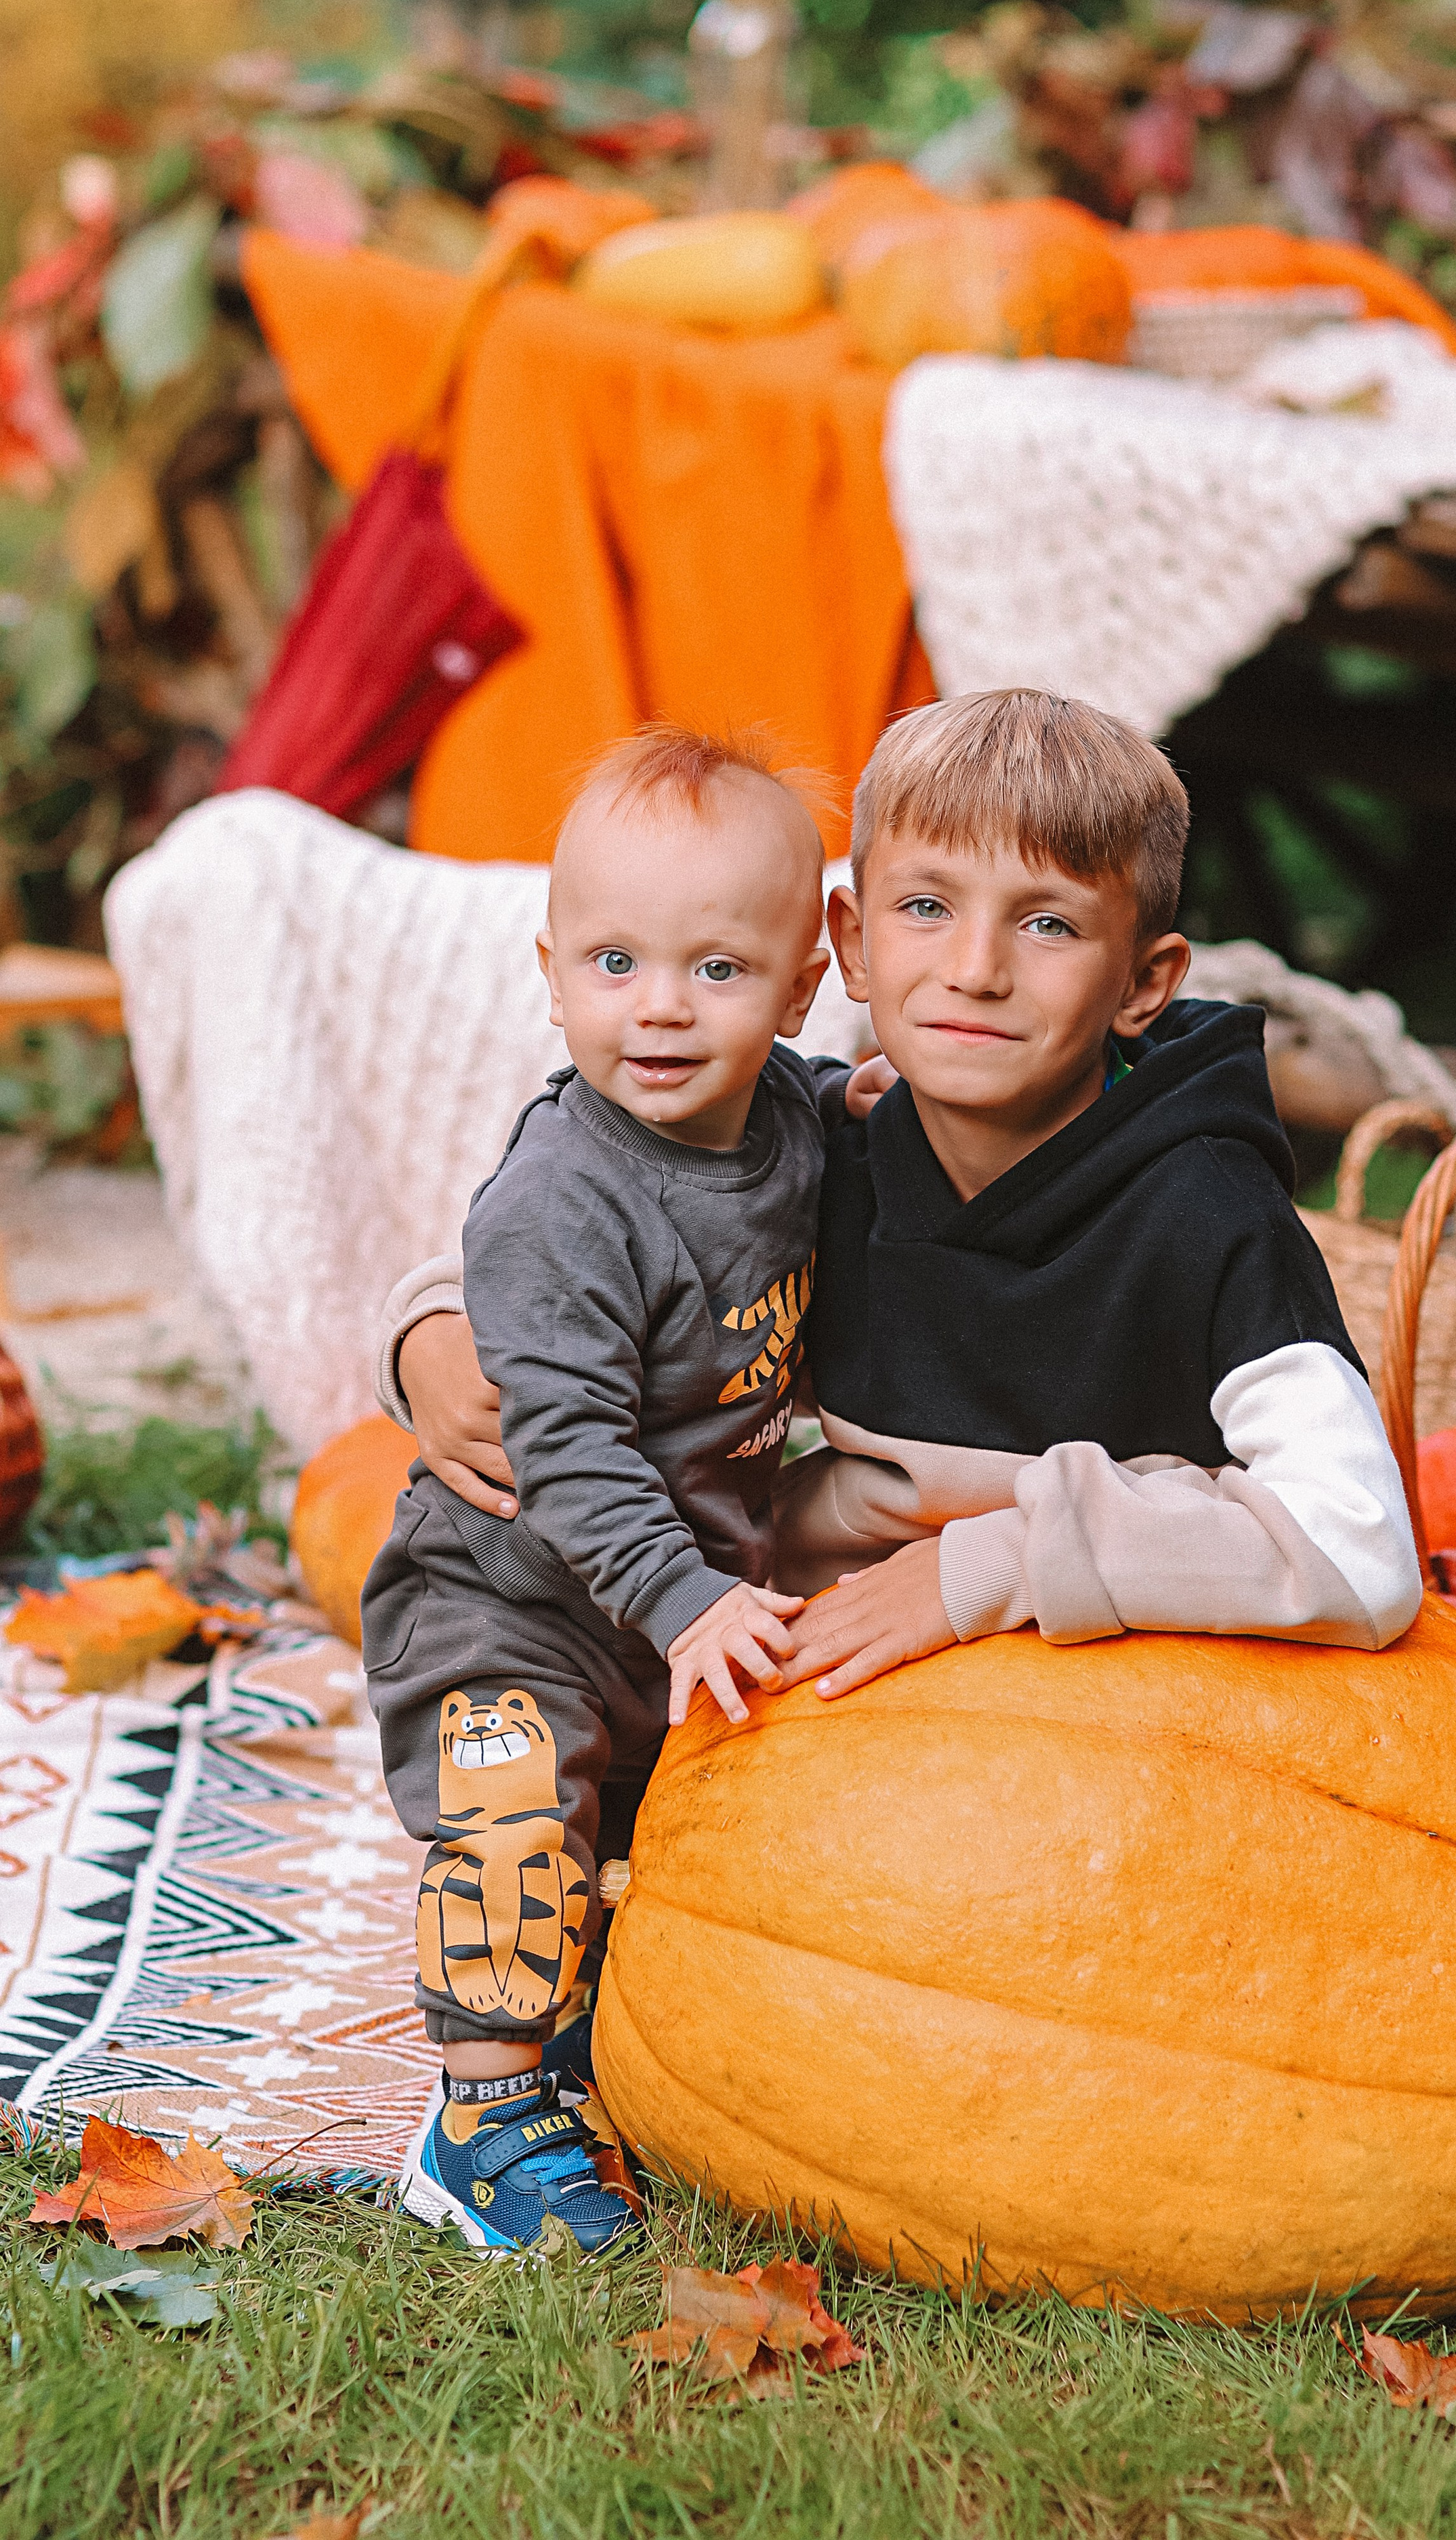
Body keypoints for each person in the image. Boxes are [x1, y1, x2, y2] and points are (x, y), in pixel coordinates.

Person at [383, 688, 1423, 2185]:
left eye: (1048, 925)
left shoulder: (1208, 1227)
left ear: (1147, 978)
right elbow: (595, 1213)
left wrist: (974, 1572)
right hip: (727, 1666)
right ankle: (509, 2082)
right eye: (926, 908)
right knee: (524, 1794)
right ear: (852, 946)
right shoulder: (830, 1139)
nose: (977, 971)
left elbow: (1359, 1551)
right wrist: (426, 1334)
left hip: (1114, 1810)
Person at [363, 722, 877, 2257]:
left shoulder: (789, 1115)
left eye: (716, 972)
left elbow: (840, 1148)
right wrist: (687, 1600)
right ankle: (483, 2113)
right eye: (612, 963)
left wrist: (878, 1117)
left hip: (675, 1591)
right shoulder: (560, 1203)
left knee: (656, 1846)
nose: (657, 1007)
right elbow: (568, 1454)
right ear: (548, 968)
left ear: (797, 990)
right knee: (518, 1826)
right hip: (504, 1598)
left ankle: (590, 2036)